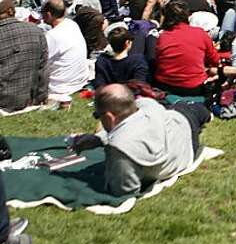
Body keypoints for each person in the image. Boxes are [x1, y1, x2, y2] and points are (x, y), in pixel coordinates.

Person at [67, 83, 211, 196]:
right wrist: (99, 139)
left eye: (97, 115)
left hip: (186, 150)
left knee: (185, 108)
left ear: (109, 117)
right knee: (188, 108)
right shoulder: (148, 105)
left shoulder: (120, 147)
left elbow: (124, 189)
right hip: (181, 123)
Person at [150, 0, 218, 95]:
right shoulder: (200, 33)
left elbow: (158, 59)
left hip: (165, 85)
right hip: (194, 87)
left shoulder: (163, 37)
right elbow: (214, 60)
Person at [40, 0, 89, 102]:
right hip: (80, 80)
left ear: (48, 14)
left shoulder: (52, 36)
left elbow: (39, 61)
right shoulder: (72, 24)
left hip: (60, 87)